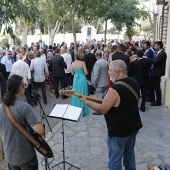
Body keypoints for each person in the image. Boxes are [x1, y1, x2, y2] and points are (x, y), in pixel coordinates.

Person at [78, 60, 142, 170]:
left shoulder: (115, 89)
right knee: (129, 155)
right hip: (133, 126)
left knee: (115, 160)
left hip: (119, 131)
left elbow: (103, 109)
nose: (108, 73)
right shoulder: (133, 81)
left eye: (110, 70)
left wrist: (86, 102)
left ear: (117, 72)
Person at [0, 75, 44, 170]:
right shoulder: (25, 107)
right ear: (20, 89)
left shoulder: (1, 107)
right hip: (26, 155)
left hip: (10, 155)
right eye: (24, 85)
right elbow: (39, 130)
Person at [71, 52, 89, 118]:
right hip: (82, 78)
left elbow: (72, 73)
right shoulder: (82, 63)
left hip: (75, 79)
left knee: (75, 93)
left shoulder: (72, 63)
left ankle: (75, 109)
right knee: (82, 93)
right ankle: (83, 109)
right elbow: (86, 73)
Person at [91, 50, 109, 115]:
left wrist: (94, 83)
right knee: (103, 96)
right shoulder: (105, 61)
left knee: (99, 97)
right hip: (105, 81)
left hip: (99, 83)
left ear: (96, 56)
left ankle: (99, 110)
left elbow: (96, 75)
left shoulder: (97, 63)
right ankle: (104, 107)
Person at [149, 41, 167, 106]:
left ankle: (158, 102)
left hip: (157, 73)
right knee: (151, 86)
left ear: (159, 46)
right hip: (153, 72)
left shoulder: (162, 53)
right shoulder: (158, 52)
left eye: (155, 45)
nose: (154, 46)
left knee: (157, 87)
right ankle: (152, 99)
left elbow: (155, 62)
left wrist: (147, 58)